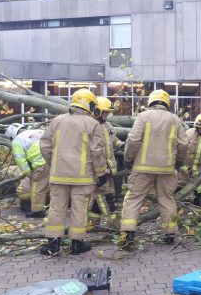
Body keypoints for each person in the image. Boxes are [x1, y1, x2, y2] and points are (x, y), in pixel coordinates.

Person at [39, 89, 108, 256]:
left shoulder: (57, 121)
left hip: (59, 175)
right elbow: (97, 152)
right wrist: (101, 173)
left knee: (56, 208)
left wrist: (55, 164)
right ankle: (77, 243)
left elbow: (45, 146)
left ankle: (53, 244)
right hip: (83, 177)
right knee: (80, 209)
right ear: (90, 105)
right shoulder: (93, 124)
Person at [120, 89, 188, 247]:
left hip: (142, 168)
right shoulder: (175, 119)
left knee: (134, 198)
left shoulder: (143, 116)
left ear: (151, 101)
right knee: (167, 199)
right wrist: (178, 161)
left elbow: (133, 139)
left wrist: (128, 158)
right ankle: (170, 233)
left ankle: (128, 233)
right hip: (167, 169)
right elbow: (184, 144)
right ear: (167, 103)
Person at [89, 97, 123, 222]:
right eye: (105, 112)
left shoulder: (107, 125)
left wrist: (120, 144)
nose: (107, 114)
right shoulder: (90, 126)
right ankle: (112, 221)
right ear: (97, 111)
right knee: (104, 194)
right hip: (97, 167)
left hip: (107, 166)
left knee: (105, 193)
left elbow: (113, 139)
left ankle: (93, 220)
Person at [7, 123, 49, 218]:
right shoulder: (40, 131)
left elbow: (20, 160)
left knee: (37, 186)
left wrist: (29, 174)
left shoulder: (17, 141)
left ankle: (37, 211)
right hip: (59, 159)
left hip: (42, 162)